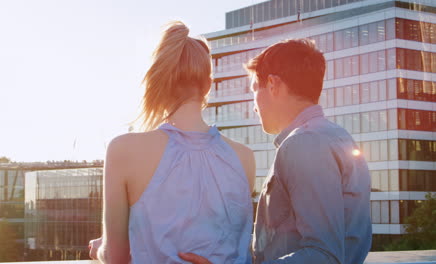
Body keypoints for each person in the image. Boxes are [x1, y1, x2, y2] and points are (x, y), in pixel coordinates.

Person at [179, 39, 372, 264]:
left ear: (272, 84)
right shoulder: (337, 137)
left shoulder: (304, 144)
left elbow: (324, 255)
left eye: (254, 90)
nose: (254, 105)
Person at [88, 21, 256, 263]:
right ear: (208, 85)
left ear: (158, 82)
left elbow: (116, 257)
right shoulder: (244, 157)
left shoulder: (123, 149)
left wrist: (99, 249)